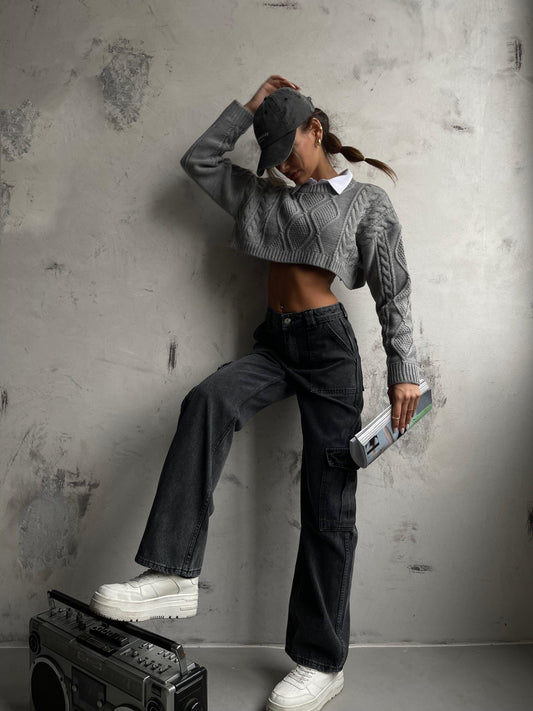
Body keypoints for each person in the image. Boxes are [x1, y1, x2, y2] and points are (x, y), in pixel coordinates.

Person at [90, 75, 421, 711]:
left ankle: (322, 663)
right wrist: (248, 107)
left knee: (328, 501)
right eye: (273, 160)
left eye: (288, 152)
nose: (283, 169)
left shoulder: (365, 202)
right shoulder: (261, 198)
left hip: (329, 353)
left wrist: (404, 369)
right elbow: (200, 161)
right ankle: (173, 573)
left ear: (316, 130)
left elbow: (394, 291)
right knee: (207, 400)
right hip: (276, 344)